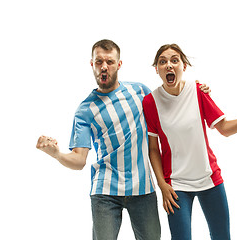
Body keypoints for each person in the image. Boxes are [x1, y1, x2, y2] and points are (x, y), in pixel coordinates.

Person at [142, 44, 237, 240]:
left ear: (183, 66)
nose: (169, 65)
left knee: (221, 237)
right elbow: (153, 149)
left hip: (209, 179)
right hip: (176, 185)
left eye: (174, 60)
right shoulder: (150, 102)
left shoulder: (198, 91)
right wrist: (162, 185)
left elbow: (225, 128)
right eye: (163, 61)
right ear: (156, 69)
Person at [36, 39, 161, 240]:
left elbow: (168, 107)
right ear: (92, 64)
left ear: (119, 64)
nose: (104, 67)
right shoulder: (85, 110)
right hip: (105, 191)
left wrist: (198, 90)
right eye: (99, 61)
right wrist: (56, 154)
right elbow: (79, 161)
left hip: (143, 188)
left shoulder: (139, 91)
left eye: (110, 62)